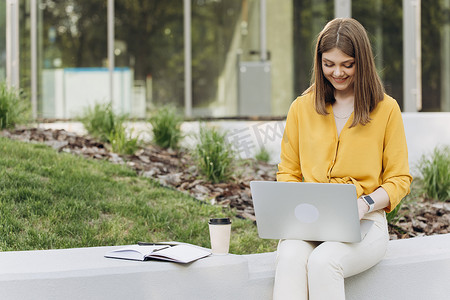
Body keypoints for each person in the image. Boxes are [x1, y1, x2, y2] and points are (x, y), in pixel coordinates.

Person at [274, 18, 412, 299]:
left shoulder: (387, 110)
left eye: (347, 64)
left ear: (362, 61)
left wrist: (365, 203)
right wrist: (295, 206)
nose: (337, 72)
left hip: (365, 221)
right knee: (289, 255)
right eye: (329, 64)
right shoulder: (301, 107)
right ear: (319, 61)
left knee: (324, 262)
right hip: (311, 221)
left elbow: (399, 179)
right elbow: (288, 171)